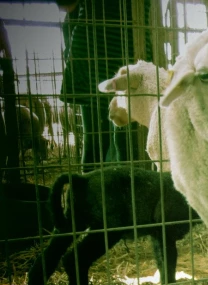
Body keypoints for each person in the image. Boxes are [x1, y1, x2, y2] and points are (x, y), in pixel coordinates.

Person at [54, 0, 152, 169]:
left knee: (97, 140)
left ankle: (94, 193)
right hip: (128, 47)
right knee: (125, 141)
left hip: (97, 49)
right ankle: (126, 192)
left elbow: (67, 4)